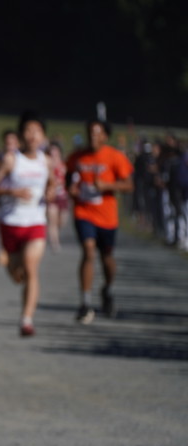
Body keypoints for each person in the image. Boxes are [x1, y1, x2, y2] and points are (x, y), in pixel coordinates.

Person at [0, 112, 54, 337]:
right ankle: (10, 263)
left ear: (43, 136)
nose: (33, 135)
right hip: (11, 222)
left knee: (31, 268)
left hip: (35, 221)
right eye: (28, 131)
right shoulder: (11, 160)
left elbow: (52, 182)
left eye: (37, 131)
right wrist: (12, 192)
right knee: (18, 276)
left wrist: (50, 192)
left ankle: (27, 320)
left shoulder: (46, 161)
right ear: (21, 135)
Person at [66, 119, 133, 322]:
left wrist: (106, 186)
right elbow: (68, 178)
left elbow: (129, 185)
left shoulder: (115, 156)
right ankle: (85, 303)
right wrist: (71, 189)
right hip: (84, 212)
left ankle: (108, 289)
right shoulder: (77, 157)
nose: (92, 137)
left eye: (97, 133)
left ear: (105, 136)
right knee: (88, 251)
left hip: (107, 216)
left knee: (107, 257)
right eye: (90, 132)